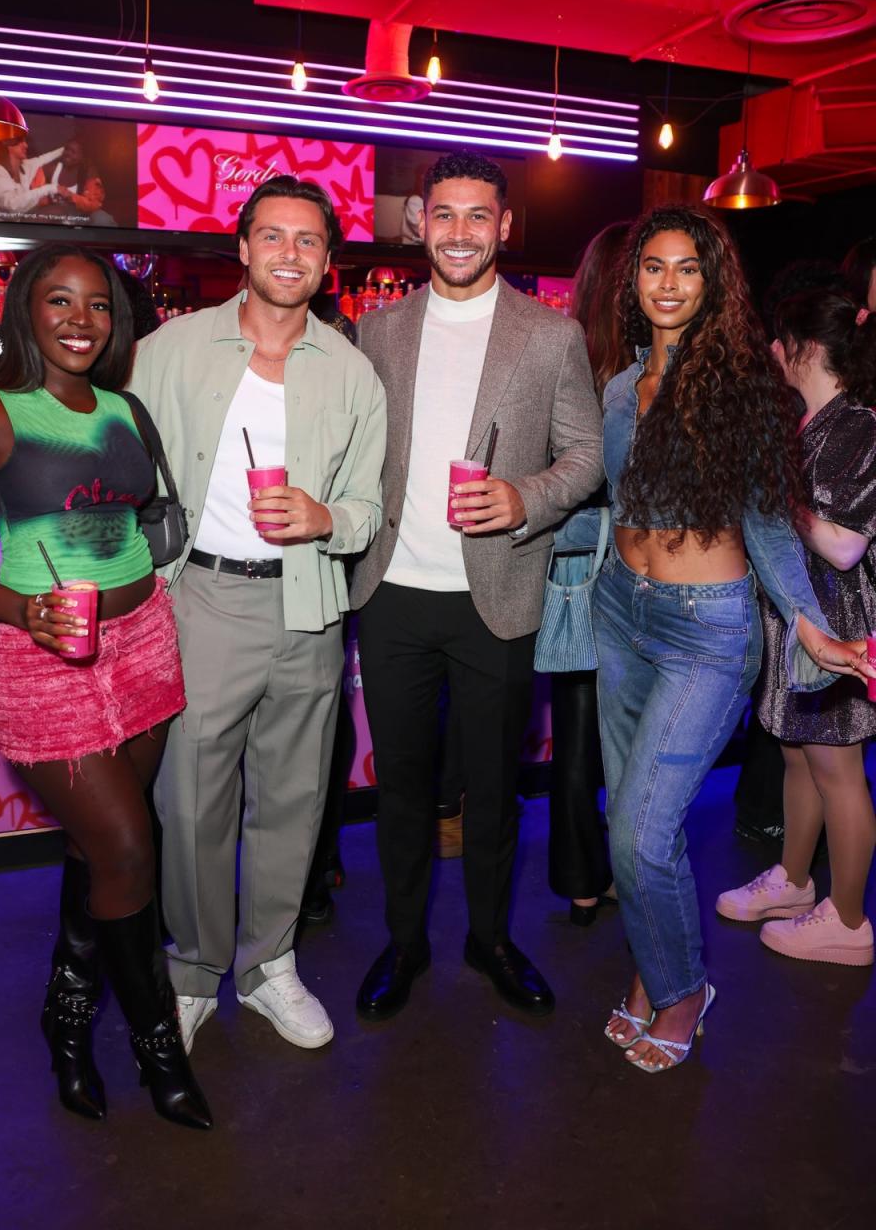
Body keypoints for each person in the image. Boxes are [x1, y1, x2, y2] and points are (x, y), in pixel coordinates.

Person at [0, 244, 212, 1130]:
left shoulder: (125, 407)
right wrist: (19, 609)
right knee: (128, 846)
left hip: (145, 642)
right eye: (59, 302)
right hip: (46, 659)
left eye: (97, 304)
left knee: (96, 850)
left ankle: (68, 1017)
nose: (81, 320)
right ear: (26, 311)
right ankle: (160, 1049)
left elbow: (142, 517)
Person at [589, 205, 873, 1073]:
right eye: (653, 267)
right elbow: (615, 503)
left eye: (687, 268)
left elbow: (768, 525)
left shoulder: (745, 387)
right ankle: (653, 968)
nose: (668, 283)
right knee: (634, 826)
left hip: (707, 629)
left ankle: (682, 991)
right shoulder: (617, 387)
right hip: (619, 613)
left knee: (642, 830)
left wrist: (811, 624)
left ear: (713, 284)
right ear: (633, 283)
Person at [129, 175, 386, 1054]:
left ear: (325, 262)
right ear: (242, 248)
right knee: (193, 798)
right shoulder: (171, 349)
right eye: (271, 236)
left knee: (294, 796)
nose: (289, 253)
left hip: (309, 599)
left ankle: (270, 962)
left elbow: (367, 508)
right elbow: (103, 436)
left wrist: (327, 519)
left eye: (307, 241)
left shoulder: (352, 372)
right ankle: (195, 971)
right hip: (202, 595)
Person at [351, 151, 604, 1021]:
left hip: (495, 593)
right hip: (390, 594)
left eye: (478, 216)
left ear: (504, 227)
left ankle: (490, 938)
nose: (460, 231)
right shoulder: (377, 330)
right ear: (421, 223)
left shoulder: (550, 334)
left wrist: (522, 497)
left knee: (495, 790)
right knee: (404, 790)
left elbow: (586, 455)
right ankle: (405, 939)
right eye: (444, 214)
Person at [716, 289, 876, 966]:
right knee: (794, 752)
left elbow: (844, 546)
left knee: (838, 768)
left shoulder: (859, 425)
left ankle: (847, 920)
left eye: (782, 341)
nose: (774, 353)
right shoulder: (810, 421)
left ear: (805, 347)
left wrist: (772, 502)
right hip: (795, 615)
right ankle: (794, 879)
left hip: (837, 618)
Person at [548, 220, 631, 926]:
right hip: (632, 559)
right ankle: (630, 865)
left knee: (577, 723)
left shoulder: (565, 348)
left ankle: (581, 876)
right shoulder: (646, 367)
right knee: (627, 731)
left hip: (570, 559)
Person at [0, 139, 70, 220]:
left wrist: (67, 148)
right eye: (20, 142)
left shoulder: (25, 166)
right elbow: (12, 206)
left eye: (25, 142)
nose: (26, 145)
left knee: (59, 210)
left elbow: (44, 159)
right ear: (8, 144)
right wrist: (50, 188)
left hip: (20, 221)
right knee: (56, 211)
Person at [54, 138, 117, 227]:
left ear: (81, 156)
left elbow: (94, 204)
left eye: (73, 152)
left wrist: (71, 197)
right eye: (67, 149)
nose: (68, 153)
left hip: (81, 217)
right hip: (56, 216)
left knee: (102, 219)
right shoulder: (53, 168)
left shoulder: (88, 172)